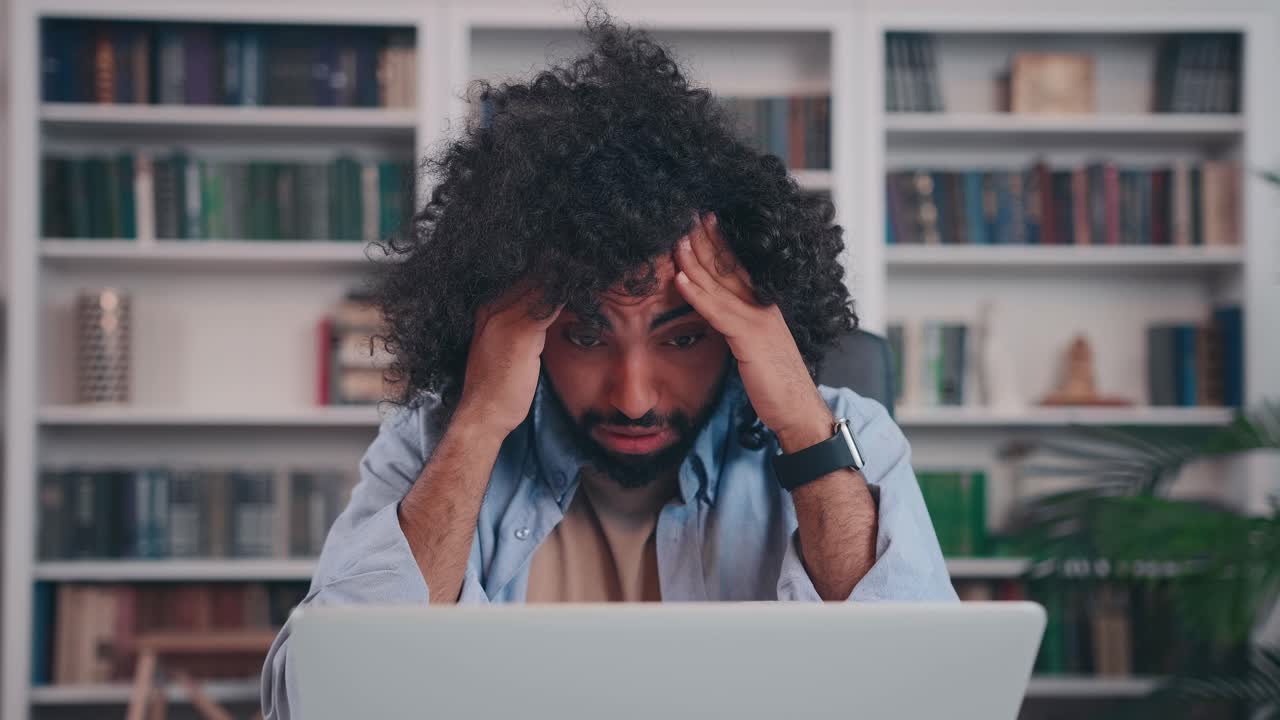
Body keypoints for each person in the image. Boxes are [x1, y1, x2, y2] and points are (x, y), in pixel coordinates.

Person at [261, 12, 955, 719]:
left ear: (742, 332)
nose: (633, 398)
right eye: (588, 337)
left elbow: (926, 699)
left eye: (682, 340)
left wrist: (804, 426)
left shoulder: (847, 434)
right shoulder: (433, 444)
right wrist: (477, 424)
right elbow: (316, 705)